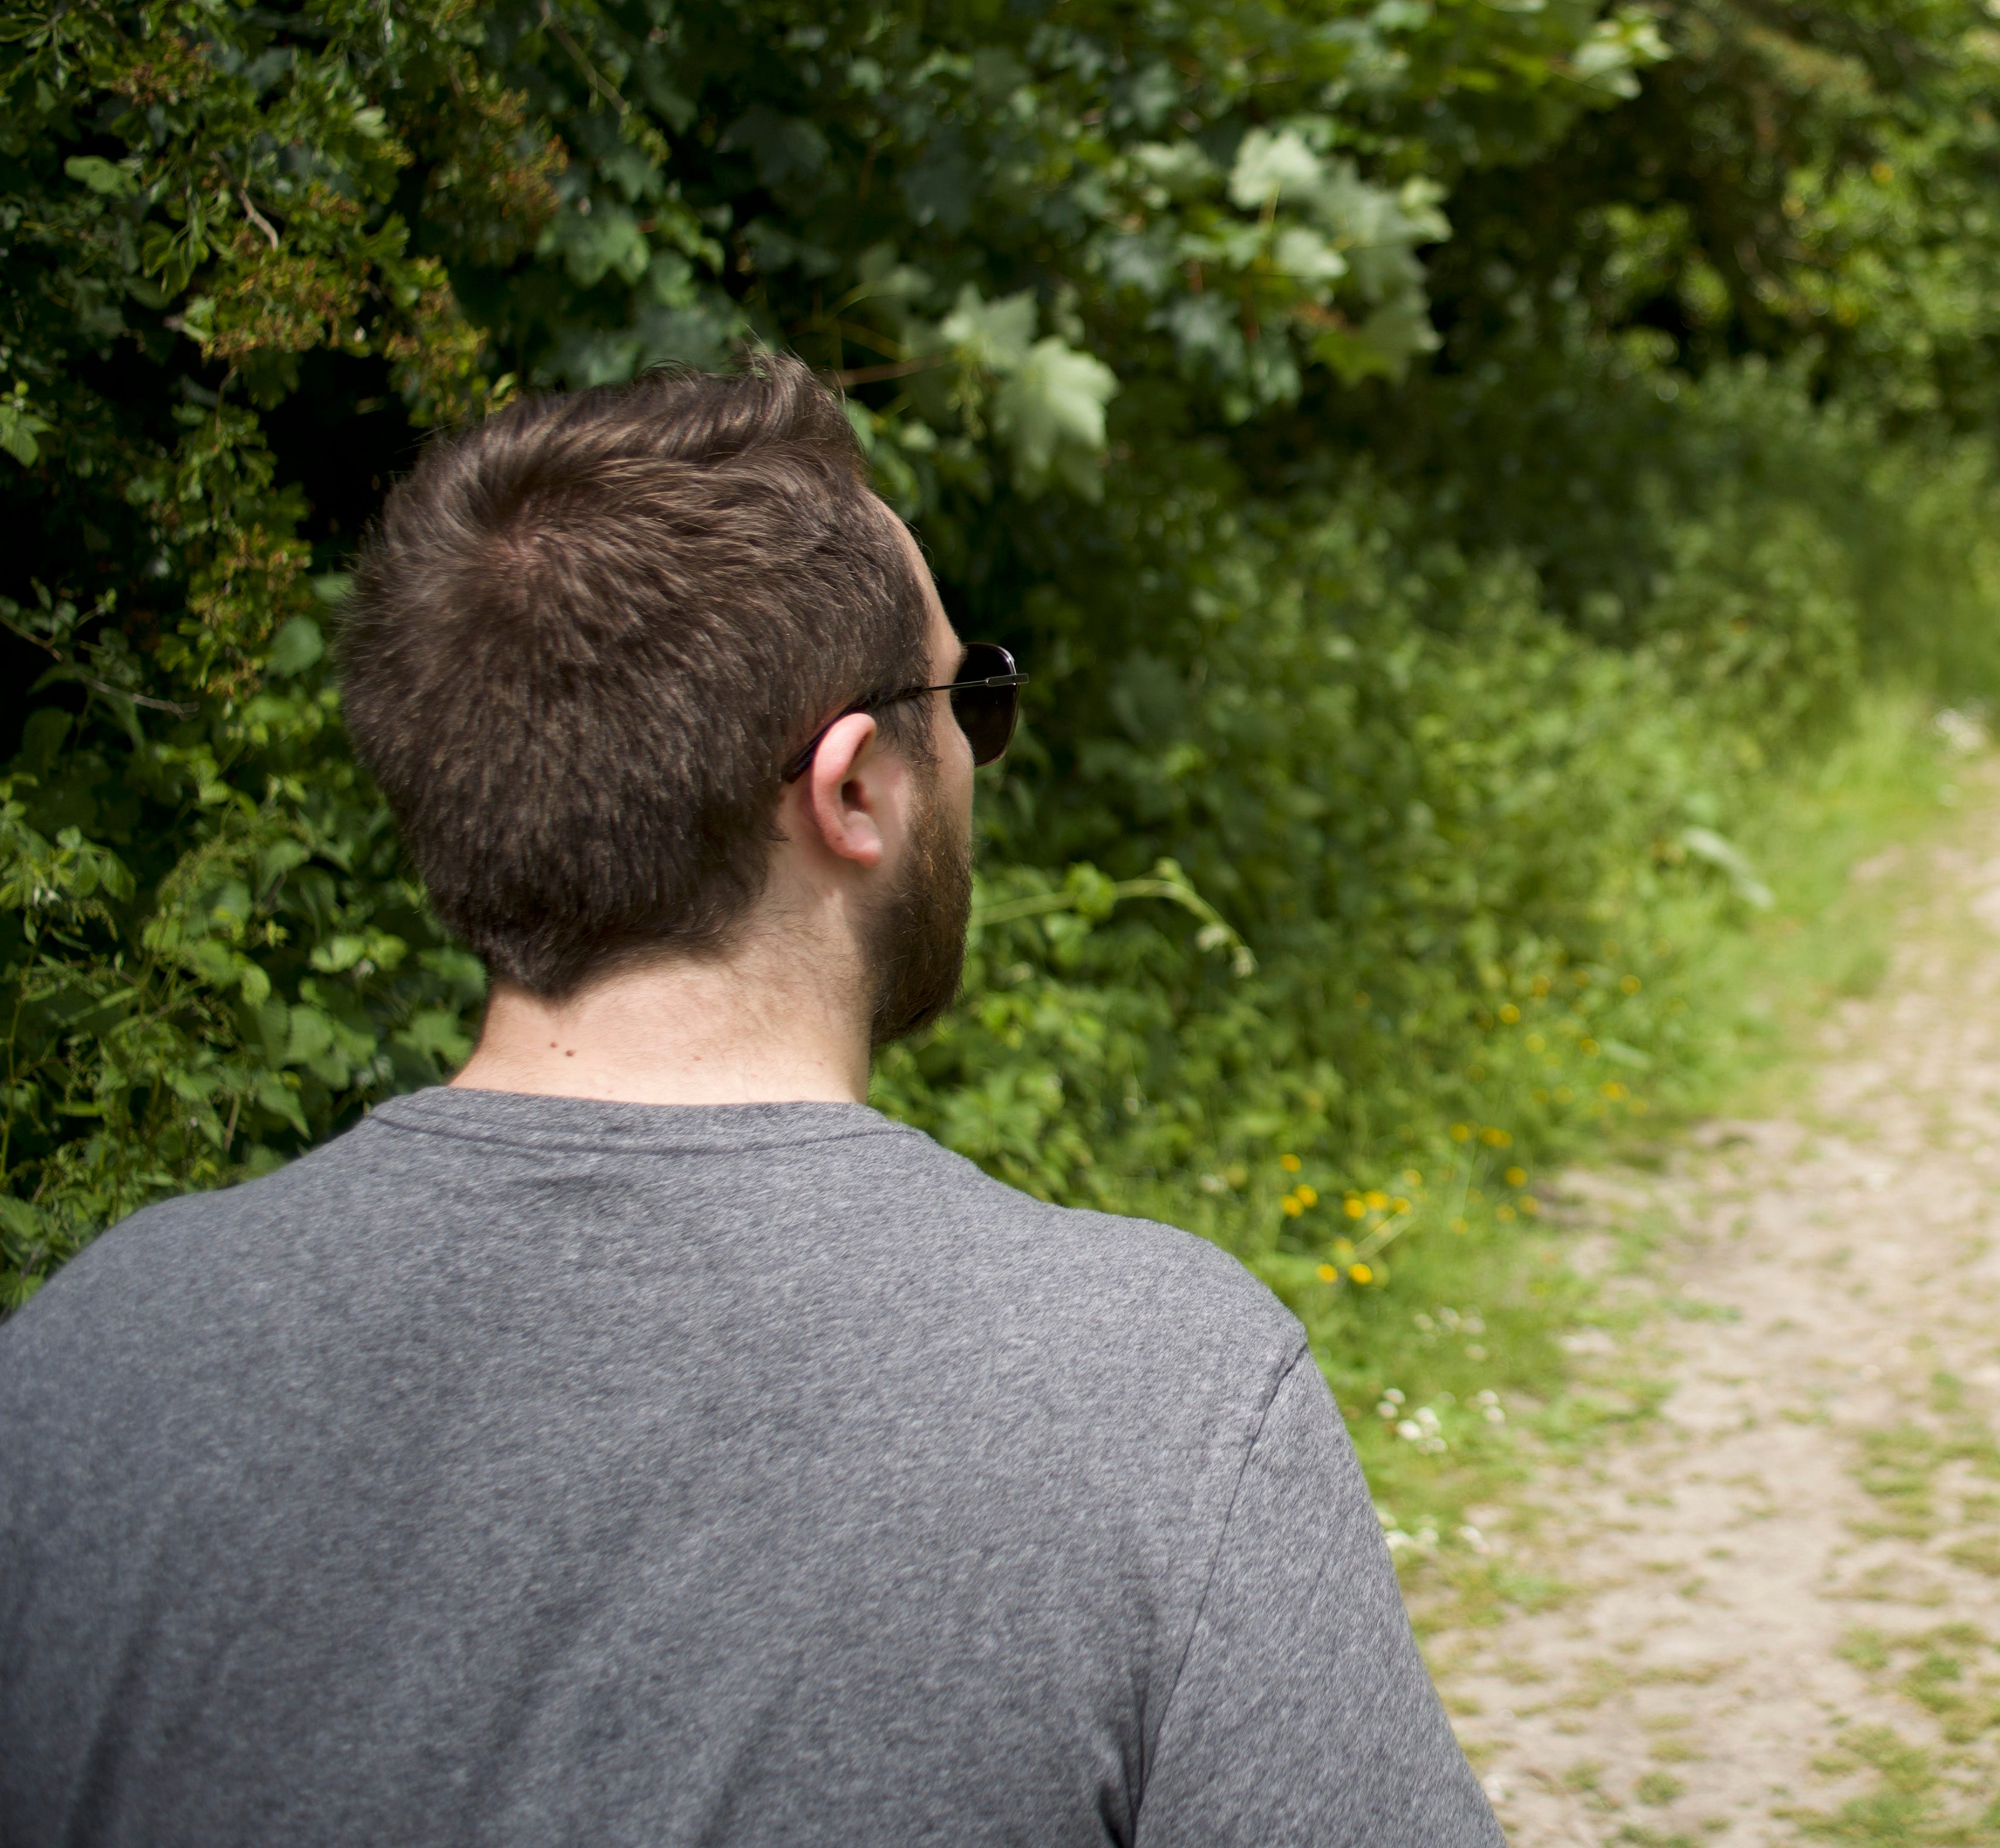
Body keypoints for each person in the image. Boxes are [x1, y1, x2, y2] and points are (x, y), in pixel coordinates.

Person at [0, 358, 1501, 1847]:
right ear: (853, 786)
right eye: (973, 694)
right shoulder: (1162, 1399)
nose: (979, 746)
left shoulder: (86, 1365)